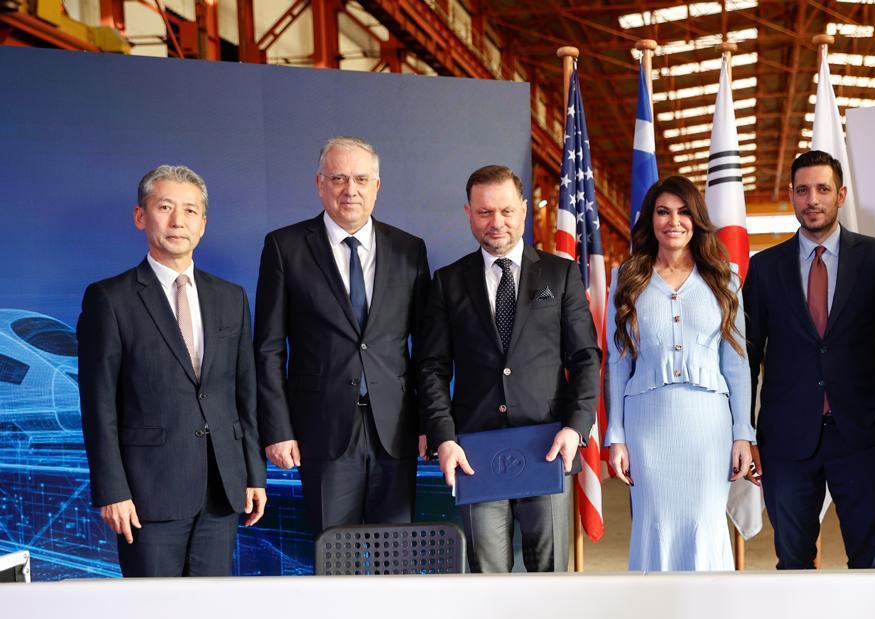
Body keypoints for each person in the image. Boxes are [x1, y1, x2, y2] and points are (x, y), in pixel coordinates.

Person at [77, 165, 266, 577]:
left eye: (190, 210)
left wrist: (254, 474)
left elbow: (245, 394)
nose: (178, 220)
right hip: (147, 494)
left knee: (209, 609)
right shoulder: (110, 299)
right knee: (152, 612)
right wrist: (112, 490)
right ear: (140, 216)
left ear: (203, 224)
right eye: (165, 207)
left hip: (222, 490)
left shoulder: (231, 298)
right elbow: (98, 406)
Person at [418, 165, 600, 573]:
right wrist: (444, 438)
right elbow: (431, 369)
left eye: (505, 211)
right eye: (484, 212)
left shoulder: (561, 273)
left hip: (548, 447)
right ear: (468, 213)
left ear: (523, 209)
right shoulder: (447, 282)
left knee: (550, 576)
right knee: (487, 578)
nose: (496, 222)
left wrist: (575, 427)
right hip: (475, 454)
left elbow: (585, 357)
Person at [254, 136, 430, 540]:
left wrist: (428, 425)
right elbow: (268, 349)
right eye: (338, 178)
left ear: (377, 186)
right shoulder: (285, 247)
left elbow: (426, 349)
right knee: (333, 556)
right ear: (320, 184)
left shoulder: (410, 250)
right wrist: (278, 428)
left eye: (361, 179)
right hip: (322, 429)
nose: (350, 189)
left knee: (395, 557)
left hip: (395, 431)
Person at [744, 150, 875, 569]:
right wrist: (744, 432)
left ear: (841, 195)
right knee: (792, 562)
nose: (812, 200)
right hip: (786, 440)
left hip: (865, 435)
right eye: (803, 190)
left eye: (823, 189)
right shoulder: (764, 267)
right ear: (792, 195)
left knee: (870, 563)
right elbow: (747, 355)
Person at [605, 176, 754, 572]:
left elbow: (736, 363)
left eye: (684, 212)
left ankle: (709, 609)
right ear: (650, 220)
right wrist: (616, 436)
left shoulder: (725, 277)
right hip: (647, 428)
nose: (674, 221)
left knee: (706, 522)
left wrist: (743, 433)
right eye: (663, 212)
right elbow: (617, 364)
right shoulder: (625, 278)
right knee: (653, 523)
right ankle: (656, 609)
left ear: (697, 219)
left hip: (709, 429)